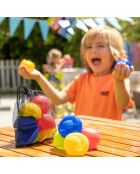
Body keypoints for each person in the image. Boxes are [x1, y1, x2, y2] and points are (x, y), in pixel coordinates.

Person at [19, 26, 134, 120]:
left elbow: (122, 103)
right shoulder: (81, 79)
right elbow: (57, 99)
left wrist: (119, 81)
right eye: (88, 47)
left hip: (109, 140)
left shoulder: (119, 79)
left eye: (100, 45)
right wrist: (39, 77)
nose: (93, 50)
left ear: (115, 53)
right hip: (81, 140)